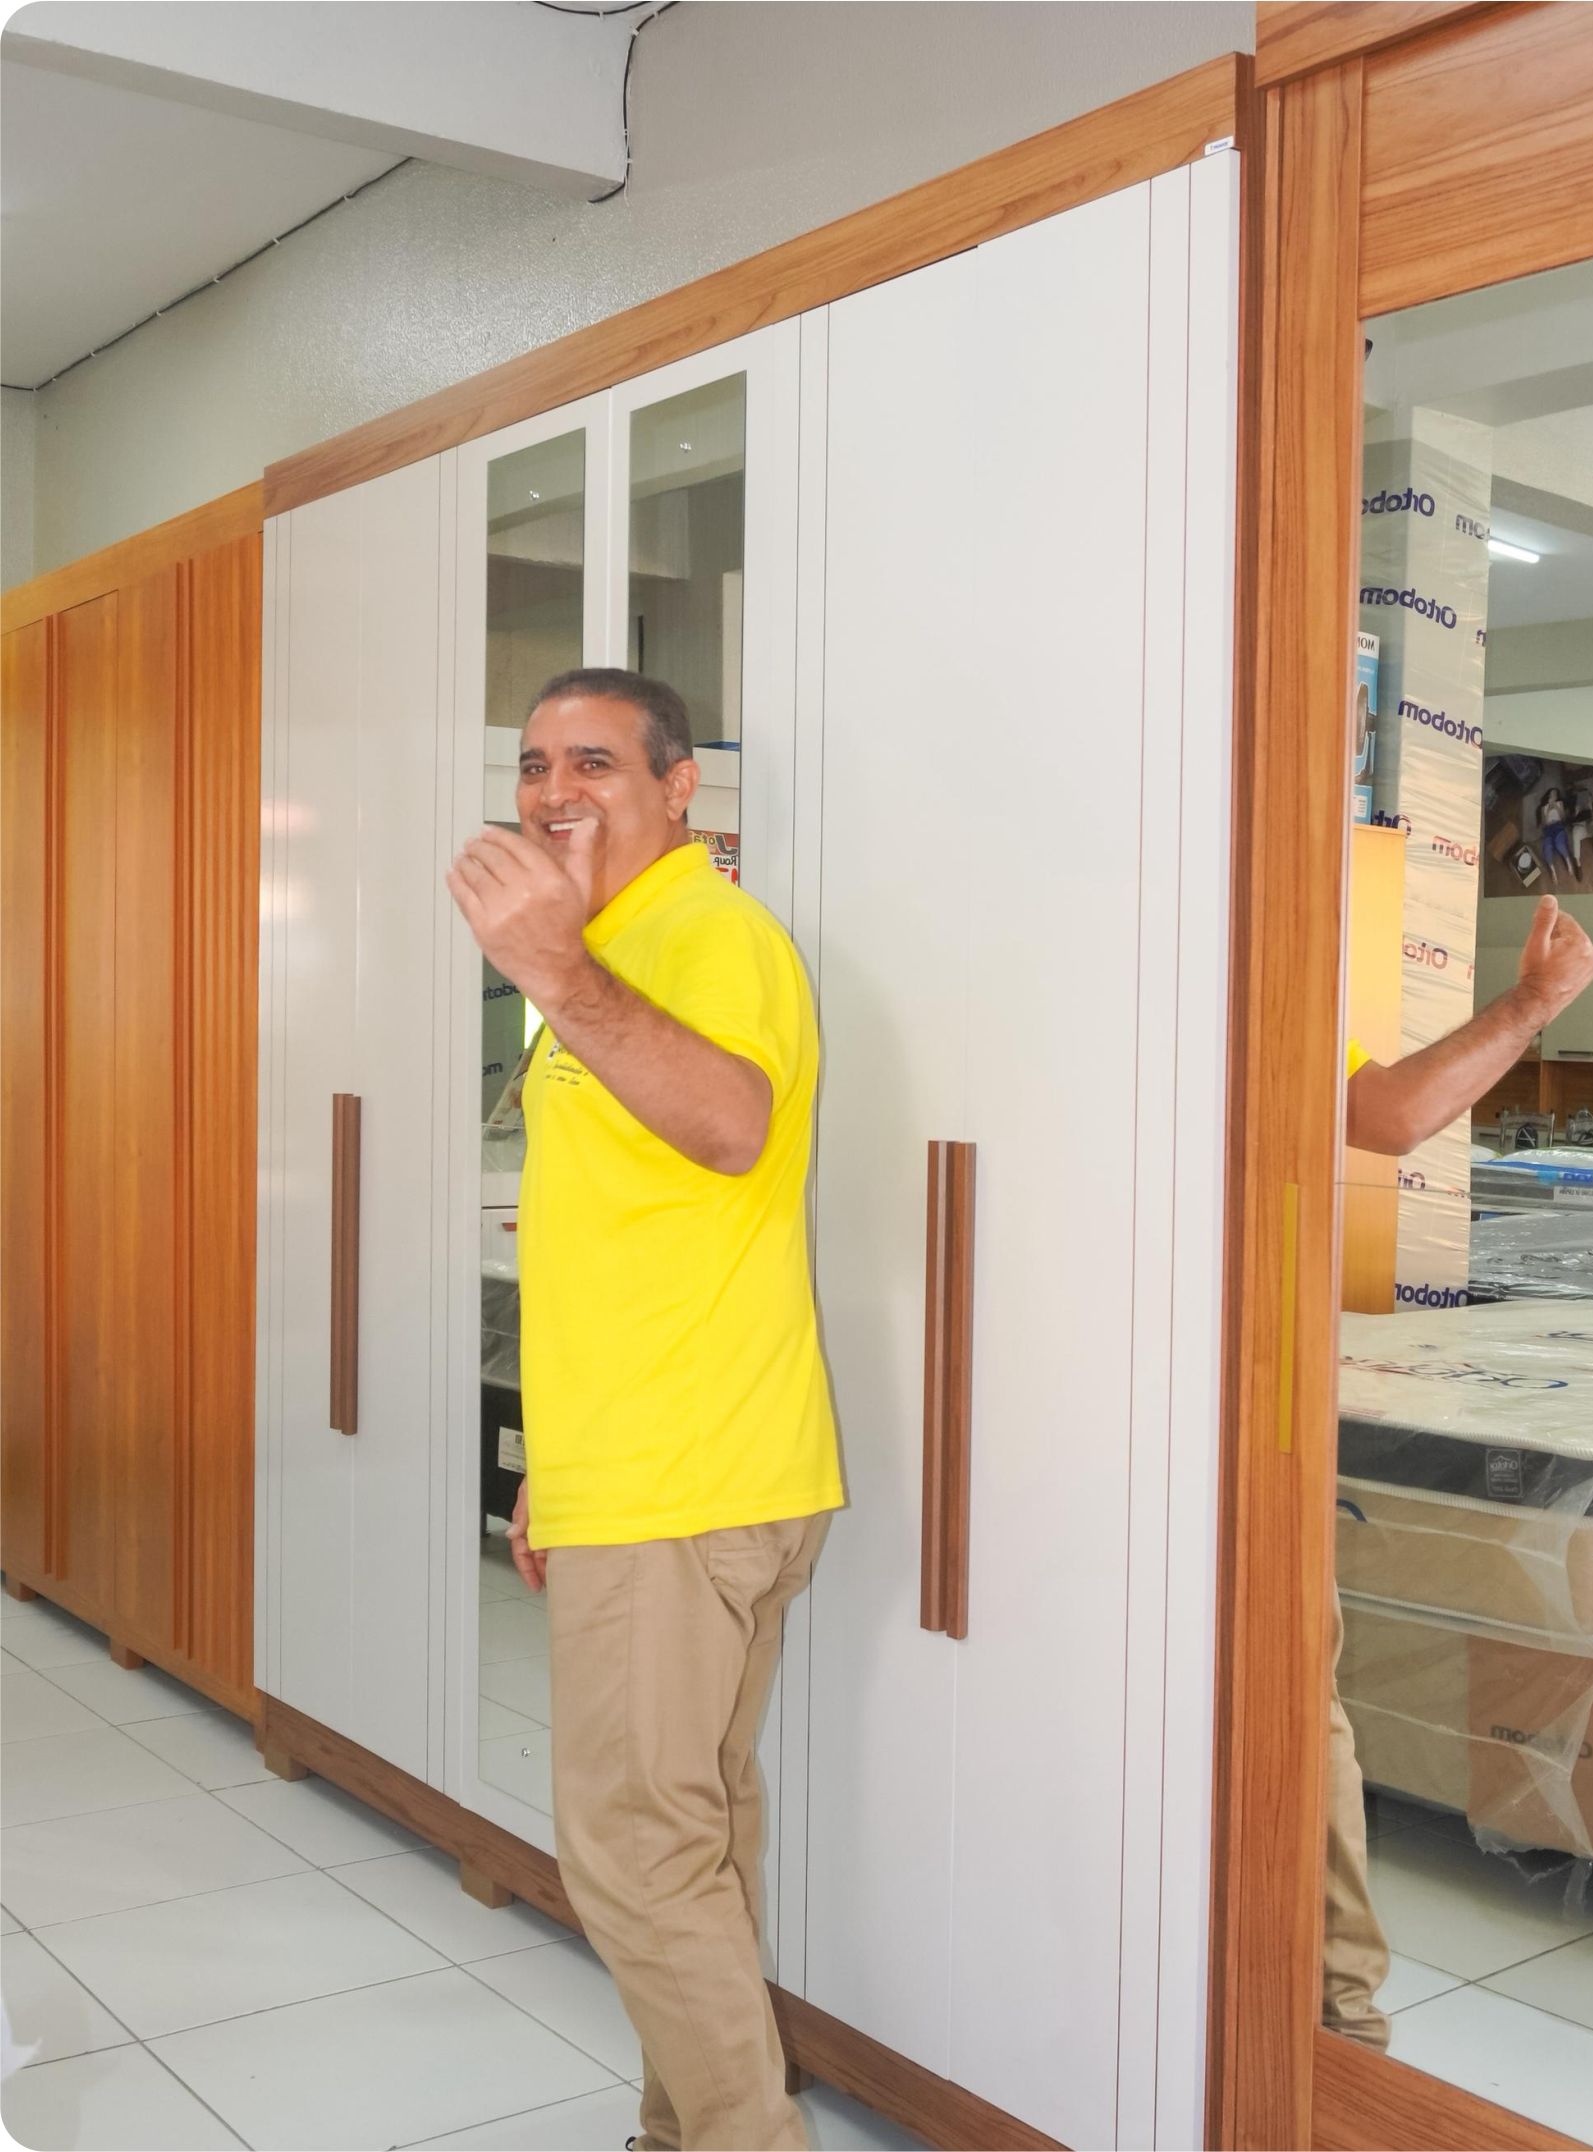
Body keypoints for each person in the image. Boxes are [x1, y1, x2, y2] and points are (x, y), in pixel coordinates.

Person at [448, 668, 845, 2152]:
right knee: (690, 1833)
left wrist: (554, 973)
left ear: (679, 788)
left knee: (631, 1851)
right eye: (533, 764)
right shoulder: (612, 946)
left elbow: (732, 1126)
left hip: (686, 1477)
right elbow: (623, 1242)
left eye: (594, 762)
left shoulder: (702, 935)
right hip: (671, 1466)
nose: (552, 791)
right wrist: (556, 1465)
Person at [1327, 891, 1593, 2050]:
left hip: (1215, 1391)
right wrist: (1533, 1000)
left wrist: (1532, 1002)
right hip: (1195, 1390)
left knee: (1286, 1706)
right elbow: (1386, 1116)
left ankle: (1331, 2020)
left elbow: (1383, 1112)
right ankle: (1328, 2014)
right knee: (1285, 1705)